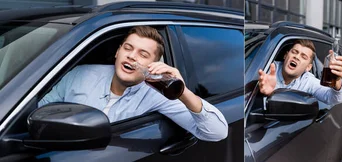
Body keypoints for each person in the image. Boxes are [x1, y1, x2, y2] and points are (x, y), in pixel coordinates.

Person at [38, 26, 228, 141]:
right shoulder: (80, 74)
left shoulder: (157, 93)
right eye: (128, 48)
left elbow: (216, 133)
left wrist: (183, 91)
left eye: (143, 54)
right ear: (117, 52)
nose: (132, 56)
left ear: (154, 64)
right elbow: (39, 111)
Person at [257, 39, 342, 105]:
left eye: (303, 57)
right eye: (294, 52)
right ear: (285, 55)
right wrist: (261, 91)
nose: (296, 57)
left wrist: (337, 81)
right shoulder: (268, 69)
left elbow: (336, 99)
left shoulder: (307, 81)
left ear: (308, 67)